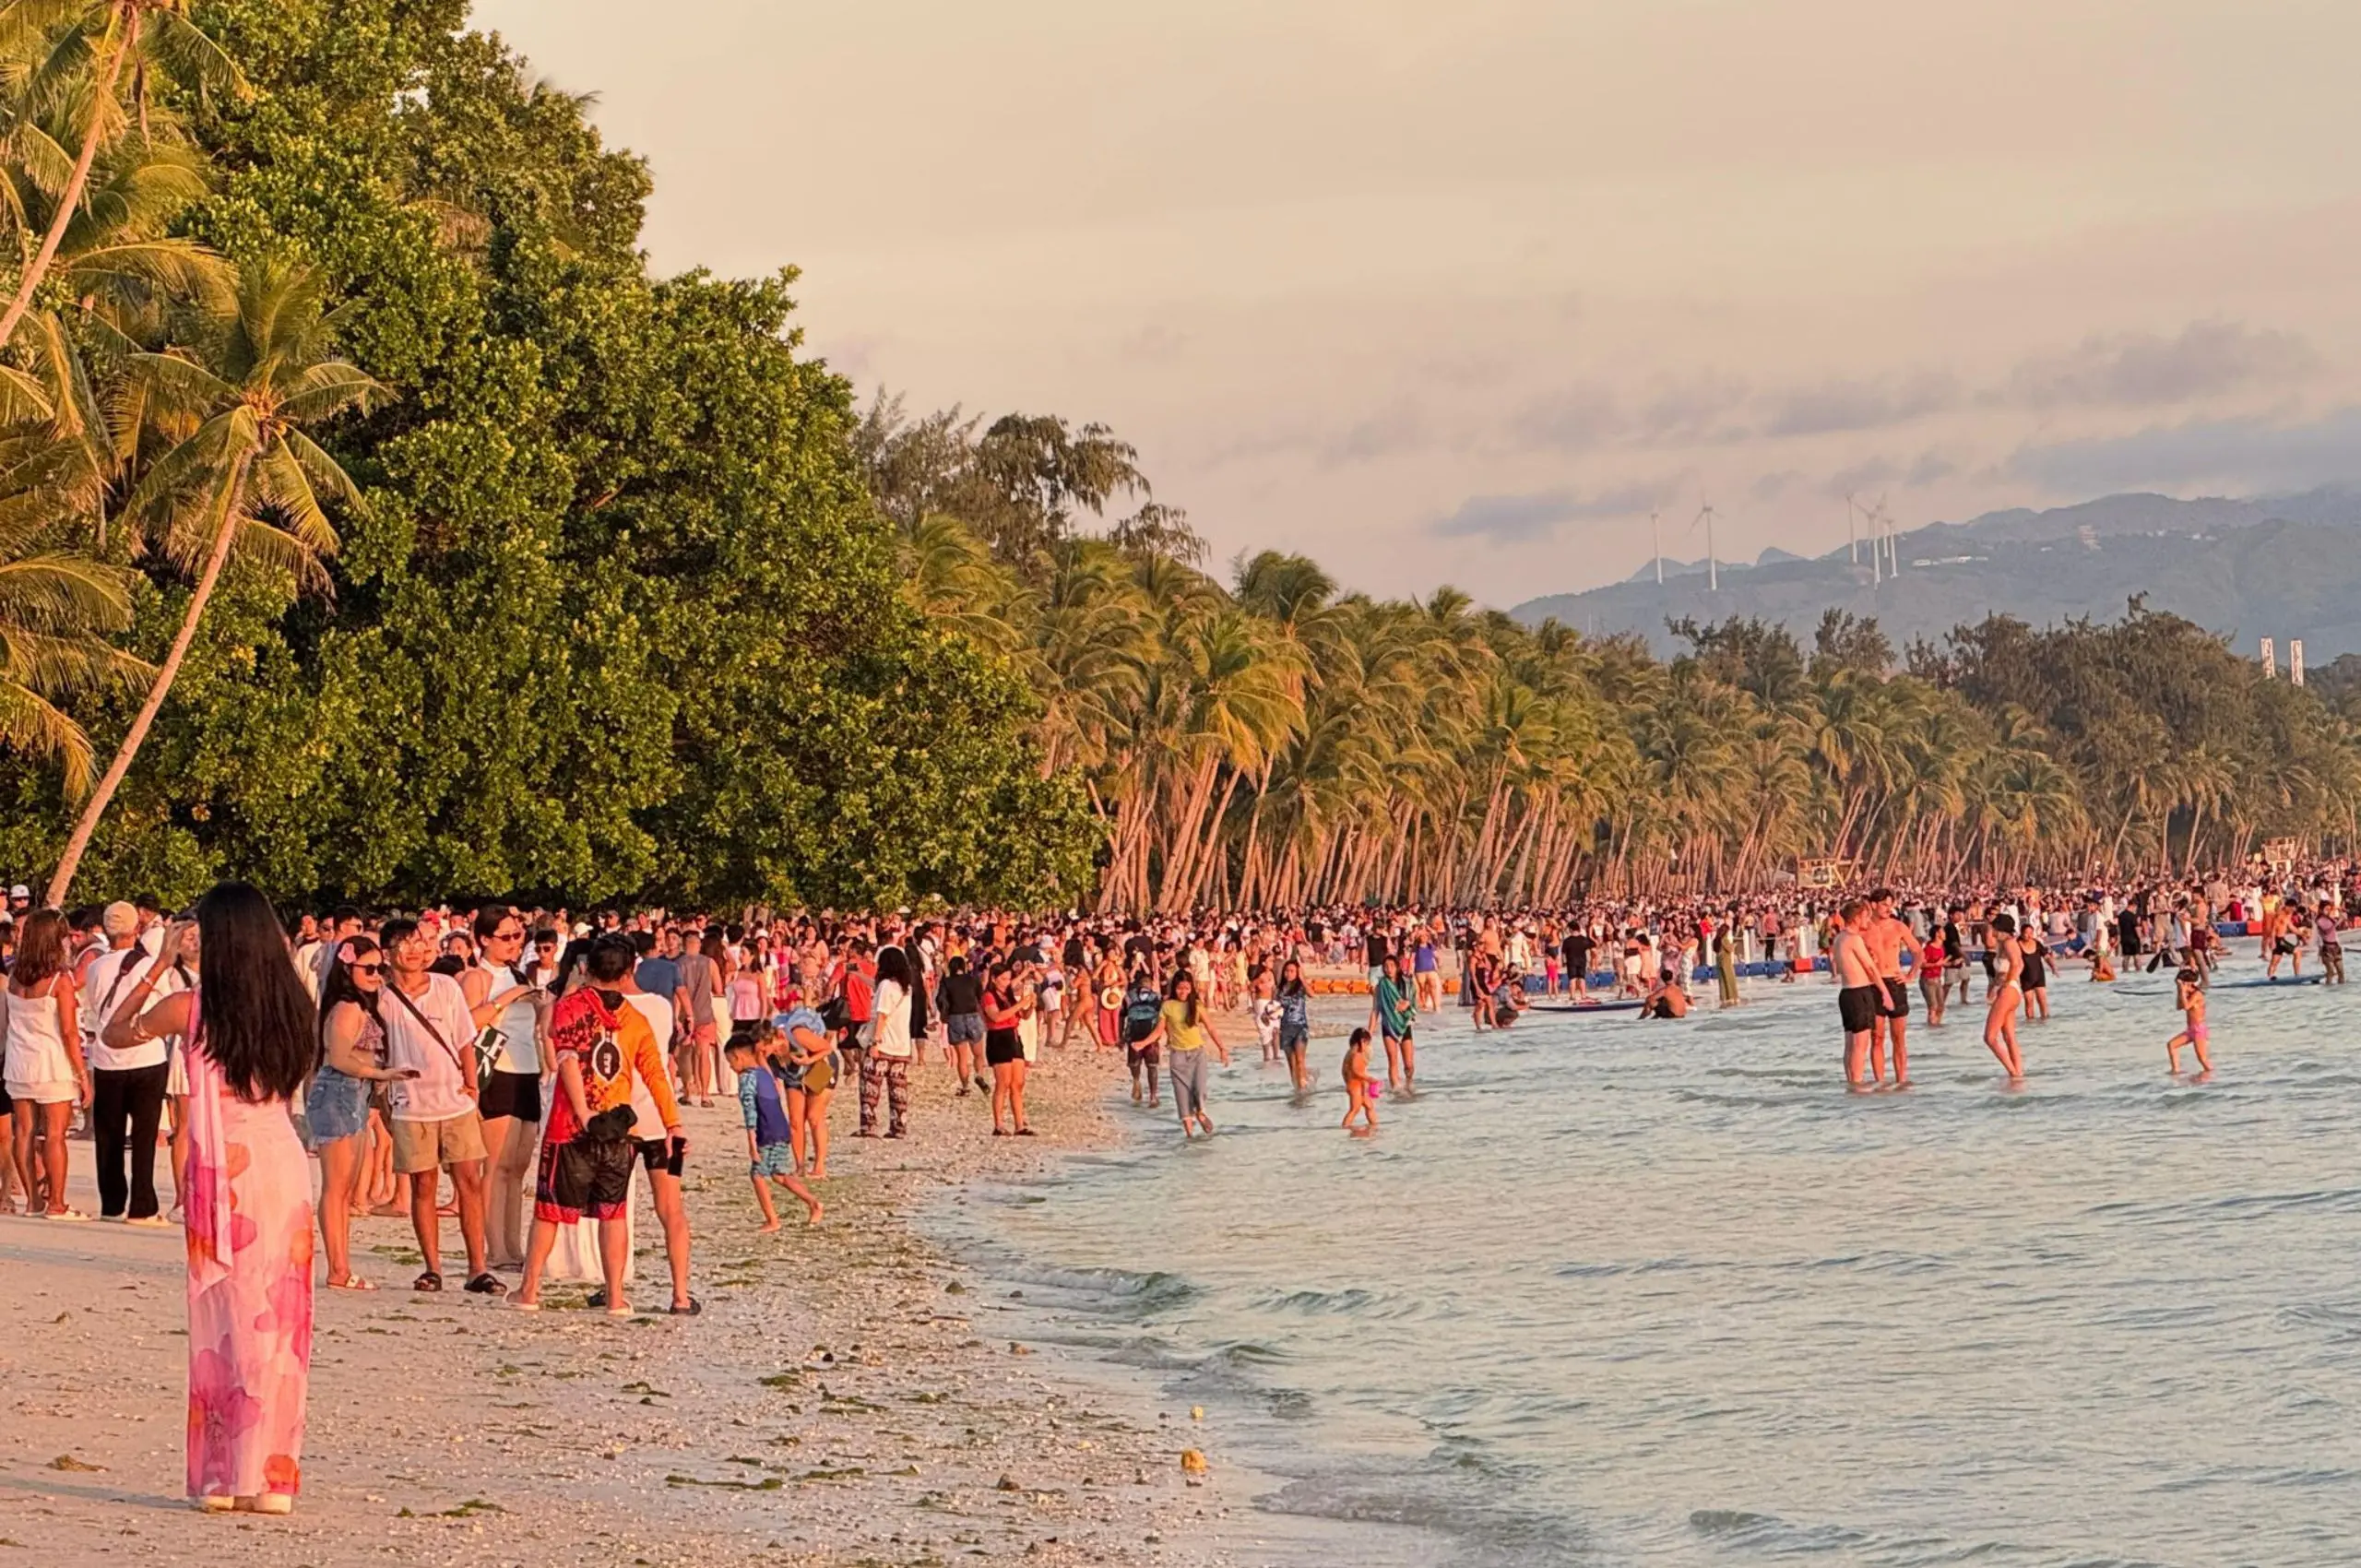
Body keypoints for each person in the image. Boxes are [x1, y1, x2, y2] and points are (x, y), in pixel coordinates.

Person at [103, 884, 315, 1515]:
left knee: (225, 1321)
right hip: (279, 1161)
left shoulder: (191, 1008)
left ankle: (225, 1475)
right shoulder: (293, 1006)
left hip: (224, 1168)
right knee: (279, 1321)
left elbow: (116, 1035)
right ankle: (272, 1476)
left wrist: (161, 962)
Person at [516, 933, 683, 1315]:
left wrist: (583, 1111)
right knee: (613, 1213)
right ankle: (615, 1296)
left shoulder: (570, 1008)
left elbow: (568, 1059)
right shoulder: (637, 1020)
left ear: (587, 968)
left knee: (549, 1210)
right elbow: (656, 1074)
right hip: (616, 1127)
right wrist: (673, 1123)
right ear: (628, 972)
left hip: (569, 1126)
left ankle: (529, 1291)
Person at [377, 918, 502, 1296]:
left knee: (469, 1182)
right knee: (423, 1185)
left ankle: (477, 1267)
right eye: (405, 944)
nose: (415, 950)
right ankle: (432, 1267)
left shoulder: (446, 987)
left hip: (454, 1099)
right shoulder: (381, 997)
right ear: (387, 953)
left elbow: (465, 1039)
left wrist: (472, 1086)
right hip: (410, 1103)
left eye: (419, 942)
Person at [81, 901, 183, 1224]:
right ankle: (142, 1204)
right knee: (144, 1134)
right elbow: (164, 1002)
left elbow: (95, 1007)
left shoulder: (96, 966)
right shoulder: (150, 965)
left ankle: (111, 1203)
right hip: (146, 1055)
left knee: (109, 1135)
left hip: (108, 1058)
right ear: (136, 928)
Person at [462, 905, 548, 1272]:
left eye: (518, 935)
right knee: (494, 1167)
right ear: (485, 940)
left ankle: (513, 1247)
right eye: (507, 936)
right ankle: (493, 1248)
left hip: (527, 1070)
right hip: (495, 1071)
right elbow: (464, 1025)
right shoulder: (478, 977)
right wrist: (507, 999)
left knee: (517, 1167)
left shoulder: (517, 974)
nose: (515, 942)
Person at [4, 908, 89, 1218]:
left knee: (23, 1131)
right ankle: (56, 1202)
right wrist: (82, 1075)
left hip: (19, 1061)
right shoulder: (59, 980)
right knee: (55, 1134)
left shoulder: (14, 978)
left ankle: (32, 1201)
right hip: (51, 1063)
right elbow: (69, 1032)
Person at [728, 1032, 822, 1229]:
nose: (730, 1067)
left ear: (739, 1057)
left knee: (757, 1175)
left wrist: (752, 1144)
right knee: (780, 1175)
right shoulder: (766, 1073)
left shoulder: (747, 1079)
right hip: (781, 1128)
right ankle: (813, 1203)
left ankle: (772, 1220)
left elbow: (750, 1112)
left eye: (730, 1062)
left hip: (766, 1131)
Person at [1139, 972, 1228, 1139]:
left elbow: (1211, 1028)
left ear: (1191, 988)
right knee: (1182, 1094)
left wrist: (1222, 1048)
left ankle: (1200, 1113)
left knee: (1200, 1089)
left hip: (1197, 1054)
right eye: (1180, 988)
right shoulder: (1167, 1005)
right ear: (1175, 988)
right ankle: (1189, 1136)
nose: (1183, 992)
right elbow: (1159, 1030)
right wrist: (1143, 1043)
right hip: (1177, 1056)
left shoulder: (1196, 1005)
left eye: (1187, 988)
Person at [859, 944, 917, 1138]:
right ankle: (899, 1126)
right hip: (902, 1046)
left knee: (870, 1088)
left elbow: (881, 1016)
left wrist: (875, 1042)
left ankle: (868, 1125)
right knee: (898, 1088)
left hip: (883, 1044)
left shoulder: (885, 986)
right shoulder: (905, 988)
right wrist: (858, 975)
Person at [980, 961, 1035, 1135]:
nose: (1006, 982)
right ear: (995, 979)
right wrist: (1020, 1005)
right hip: (999, 1038)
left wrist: (1030, 1005)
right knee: (1003, 1084)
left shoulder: (1008, 995)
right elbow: (996, 1017)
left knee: (1018, 1083)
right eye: (1003, 979)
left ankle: (1019, 1124)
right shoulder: (989, 996)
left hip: (1013, 1036)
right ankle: (999, 1124)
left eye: (1008, 978)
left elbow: (1023, 1016)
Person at [1832, 902, 1880, 1087]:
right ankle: (1858, 1083)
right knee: (1860, 1045)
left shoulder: (1839, 938)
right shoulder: (1854, 939)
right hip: (1859, 991)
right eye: (1865, 916)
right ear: (1857, 918)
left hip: (1846, 993)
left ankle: (1851, 1081)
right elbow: (1871, 968)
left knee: (1850, 1044)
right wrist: (1884, 992)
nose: (1867, 920)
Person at [1982, 913, 2027, 1080]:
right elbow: (2017, 965)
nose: (1991, 930)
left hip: (2008, 991)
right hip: (2011, 990)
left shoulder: (2009, 943)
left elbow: (2016, 964)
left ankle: (2013, 1072)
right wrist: (1998, 983)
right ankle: (2018, 1073)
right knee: (2008, 1036)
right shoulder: (2004, 944)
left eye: (1994, 927)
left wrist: (2006, 982)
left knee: (1990, 1037)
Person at [1368, 954, 1418, 1091]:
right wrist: (1370, 1032)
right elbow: (1375, 1010)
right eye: (1386, 967)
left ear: (1397, 967)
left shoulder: (1407, 984)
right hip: (1388, 1025)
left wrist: (1407, 1004)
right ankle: (1396, 1088)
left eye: (1391, 966)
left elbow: (1413, 1000)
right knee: (1392, 1060)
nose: (1388, 969)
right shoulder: (1381, 986)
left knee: (1409, 1064)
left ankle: (1408, 1083)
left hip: (1404, 1024)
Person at [940, 954, 987, 1096]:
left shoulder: (947, 982)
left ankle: (965, 1087)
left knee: (962, 1057)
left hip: (955, 1017)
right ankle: (979, 1075)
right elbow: (980, 997)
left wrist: (943, 1016)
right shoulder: (973, 979)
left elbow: (941, 1001)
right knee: (978, 1053)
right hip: (972, 1015)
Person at [1121, 970, 1164, 1107]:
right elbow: (1163, 1018)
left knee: (1134, 1064)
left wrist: (1120, 1035)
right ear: (1151, 984)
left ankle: (1136, 1081)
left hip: (1134, 1034)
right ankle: (1152, 1096)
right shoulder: (1157, 998)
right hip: (1150, 1036)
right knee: (1152, 1067)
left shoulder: (1129, 997)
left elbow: (1122, 1016)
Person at [1275, 957, 1312, 1093]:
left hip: (1300, 1027)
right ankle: (1297, 1088)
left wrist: (1302, 978)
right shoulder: (1280, 989)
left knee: (1300, 1060)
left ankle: (1303, 1088)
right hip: (1285, 1028)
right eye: (1287, 971)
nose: (1289, 974)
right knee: (1291, 1063)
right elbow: (1274, 1007)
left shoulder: (1301, 987)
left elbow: (1312, 994)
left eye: (1292, 971)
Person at [2166, 966, 2213, 1076]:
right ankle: (2175, 1071)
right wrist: (2180, 991)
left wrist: (2183, 990)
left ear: (2189, 983)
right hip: (2191, 1029)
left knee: (2202, 1058)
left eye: (2182, 984)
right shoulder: (2186, 994)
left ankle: (2211, 1076)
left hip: (2199, 1029)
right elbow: (2179, 1007)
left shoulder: (2197, 994)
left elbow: (2187, 1006)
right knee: (2171, 1045)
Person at [1340, 1026, 1378, 1136]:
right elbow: (1356, 1071)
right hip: (1355, 1085)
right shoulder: (1356, 1054)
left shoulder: (1351, 1052)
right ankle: (1345, 1126)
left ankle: (1374, 1125)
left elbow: (1346, 1071)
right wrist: (1369, 1079)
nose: (1367, 1047)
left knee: (1369, 1106)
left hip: (1358, 1084)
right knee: (1355, 1109)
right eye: (1367, 1044)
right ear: (1362, 1042)